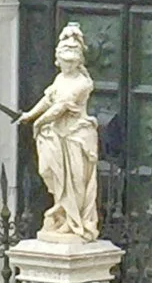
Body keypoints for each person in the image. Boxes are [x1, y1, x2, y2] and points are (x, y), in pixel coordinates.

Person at [20, 22, 100, 242]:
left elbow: (60, 107)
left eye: (71, 63)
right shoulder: (60, 79)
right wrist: (29, 115)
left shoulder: (83, 83)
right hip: (57, 136)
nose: (66, 67)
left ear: (78, 62)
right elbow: (49, 99)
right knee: (49, 171)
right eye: (63, 62)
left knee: (75, 180)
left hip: (76, 137)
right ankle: (61, 212)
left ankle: (73, 221)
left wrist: (38, 123)